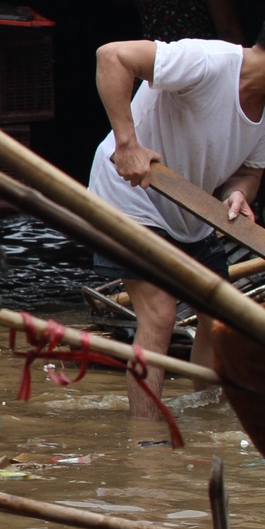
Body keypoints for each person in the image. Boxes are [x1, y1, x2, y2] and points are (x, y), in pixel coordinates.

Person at [90, 33, 265, 419]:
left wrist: (239, 193)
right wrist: (127, 144)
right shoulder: (208, 61)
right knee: (159, 314)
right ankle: (144, 438)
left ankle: (207, 422)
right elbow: (112, 55)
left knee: (221, 319)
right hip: (128, 194)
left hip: (190, 210)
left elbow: (250, 171)